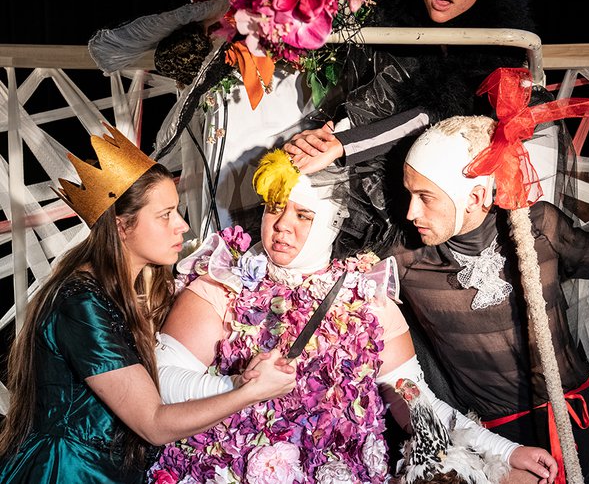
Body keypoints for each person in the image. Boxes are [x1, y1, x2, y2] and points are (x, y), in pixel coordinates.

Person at [146, 148, 557, 484]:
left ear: (331, 222)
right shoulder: (222, 282)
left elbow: (415, 402)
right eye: (275, 208)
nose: (282, 226)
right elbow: (162, 385)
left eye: (304, 215)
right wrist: (238, 386)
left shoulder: (367, 296)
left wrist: (506, 451)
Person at [284, 0, 568, 256]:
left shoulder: (500, 46)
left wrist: (342, 143)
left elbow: (432, 113)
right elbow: (362, 82)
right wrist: (329, 130)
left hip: (432, 193)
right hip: (356, 145)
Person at [0, 124, 296, 484]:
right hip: (67, 472)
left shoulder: (115, 293)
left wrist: (239, 382)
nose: (182, 225)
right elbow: (154, 423)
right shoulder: (80, 303)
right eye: (165, 214)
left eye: (177, 211)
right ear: (121, 227)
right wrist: (250, 393)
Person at [394, 92, 589, 484]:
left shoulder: (539, 227)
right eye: (409, 194)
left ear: (476, 197)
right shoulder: (408, 260)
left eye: (425, 198)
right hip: (503, 452)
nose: (411, 211)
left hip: (586, 424)